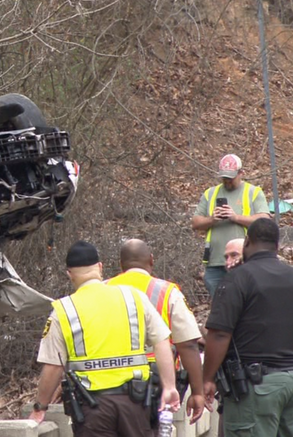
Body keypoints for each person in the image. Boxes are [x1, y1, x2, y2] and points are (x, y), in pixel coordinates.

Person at [30, 241, 181, 436]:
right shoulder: (134, 297)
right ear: (100, 267)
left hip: (93, 410)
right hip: (135, 404)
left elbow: (53, 366)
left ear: (69, 274)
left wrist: (40, 406)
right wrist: (169, 386)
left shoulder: (64, 310)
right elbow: (162, 341)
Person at [202, 218, 293, 436]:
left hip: (256, 387)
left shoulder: (237, 279)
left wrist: (207, 378)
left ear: (247, 242)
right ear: (277, 245)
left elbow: (219, 334)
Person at [107, 239, 205, 425]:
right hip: (154, 380)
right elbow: (188, 344)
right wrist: (197, 392)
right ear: (151, 260)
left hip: (108, 379)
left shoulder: (102, 289)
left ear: (121, 265)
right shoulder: (167, 292)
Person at [191, 154, 269, 295]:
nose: (227, 181)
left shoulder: (253, 192)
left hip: (244, 260)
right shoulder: (210, 194)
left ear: (241, 173)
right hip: (215, 262)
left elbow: (264, 221)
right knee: (219, 306)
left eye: (231, 177)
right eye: (224, 177)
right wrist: (212, 219)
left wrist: (235, 217)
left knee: (244, 302)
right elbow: (195, 223)